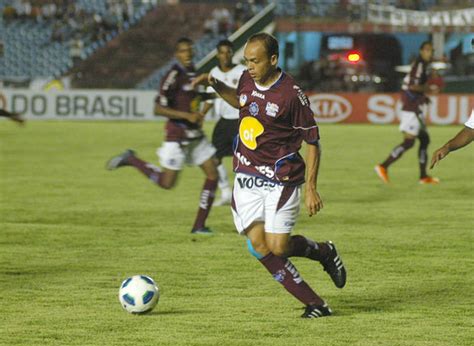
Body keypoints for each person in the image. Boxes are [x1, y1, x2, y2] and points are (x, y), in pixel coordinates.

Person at [193, 33, 346, 318]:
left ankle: (324, 252)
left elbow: (313, 142)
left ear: (273, 60)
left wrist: (312, 187)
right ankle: (317, 304)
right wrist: (215, 84)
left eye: (255, 61)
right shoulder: (246, 79)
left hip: (281, 179)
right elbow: (240, 102)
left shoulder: (292, 95)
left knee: (279, 246)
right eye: (246, 61)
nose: (249, 67)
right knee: (258, 245)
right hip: (247, 175)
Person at [107, 37, 218, 234]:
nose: (188, 54)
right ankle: (132, 159)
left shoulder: (196, 73)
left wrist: (202, 113)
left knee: (213, 174)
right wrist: (187, 115)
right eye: (183, 51)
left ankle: (199, 226)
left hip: (195, 136)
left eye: (190, 50)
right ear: (177, 54)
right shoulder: (173, 76)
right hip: (177, 135)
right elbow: (158, 108)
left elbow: (206, 97)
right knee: (167, 183)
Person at [375, 41, 440, 184]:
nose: (430, 53)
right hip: (411, 108)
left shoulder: (422, 65)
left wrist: (424, 97)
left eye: (432, 50)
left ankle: (423, 176)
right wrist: (429, 90)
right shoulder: (420, 65)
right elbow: (412, 86)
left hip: (414, 106)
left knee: (424, 139)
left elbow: (413, 87)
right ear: (421, 51)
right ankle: (383, 166)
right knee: (409, 142)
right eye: (428, 50)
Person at [201, 40, 245, 206]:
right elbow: (210, 97)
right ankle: (226, 192)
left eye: (228, 52)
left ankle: (242, 194)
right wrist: (201, 114)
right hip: (224, 122)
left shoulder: (242, 71)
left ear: (232, 53)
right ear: (217, 54)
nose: (225, 55)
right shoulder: (213, 72)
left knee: (245, 159)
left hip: (241, 121)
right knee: (215, 157)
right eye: (222, 52)